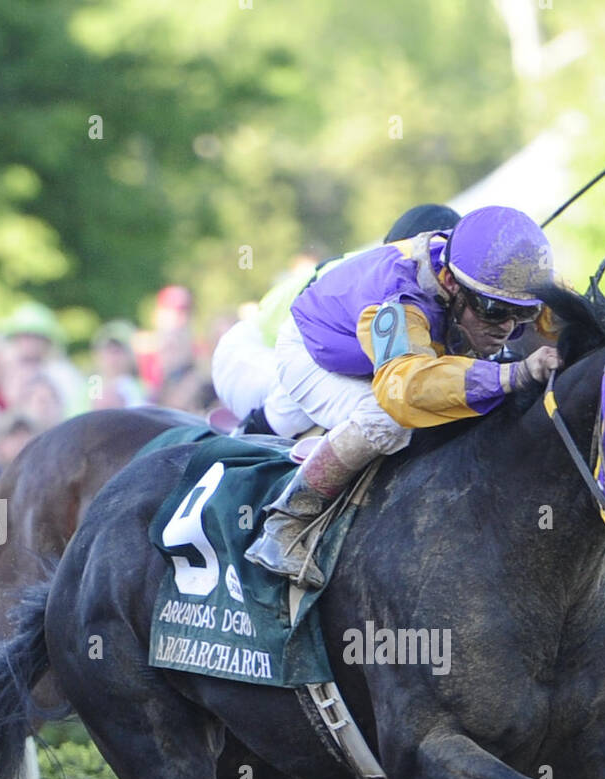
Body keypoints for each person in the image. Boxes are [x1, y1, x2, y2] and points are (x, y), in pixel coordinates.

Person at [245, 205, 560, 587]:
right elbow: (404, 390)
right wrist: (516, 373)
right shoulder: (399, 299)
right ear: (450, 282)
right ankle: (288, 522)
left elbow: (556, 310)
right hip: (317, 354)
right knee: (388, 419)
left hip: (394, 353)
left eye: (519, 313)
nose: (506, 326)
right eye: (493, 310)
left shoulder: (483, 276)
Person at [212, 203, 461, 434]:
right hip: (251, 351)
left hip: (291, 347)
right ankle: (242, 442)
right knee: (303, 401)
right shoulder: (373, 276)